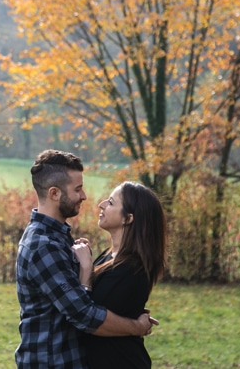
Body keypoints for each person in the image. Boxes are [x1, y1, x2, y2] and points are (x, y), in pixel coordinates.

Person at [15, 150, 157, 368]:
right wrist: (137, 326)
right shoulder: (43, 245)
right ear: (54, 193)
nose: (85, 196)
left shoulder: (58, 236)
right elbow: (83, 314)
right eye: (78, 189)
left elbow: (84, 301)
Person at [76, 181, 168, 369]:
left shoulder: (131, 268)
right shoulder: (111, 256)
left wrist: (86, 271)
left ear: (128, 218)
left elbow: (90, 320)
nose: (101, 204)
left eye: (110, 202)